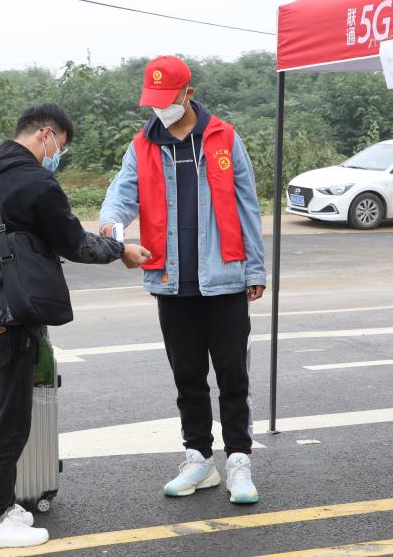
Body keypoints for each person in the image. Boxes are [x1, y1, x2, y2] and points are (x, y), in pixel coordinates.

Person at [0, 104, 151, 549]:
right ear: (46, 134)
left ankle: (2, 504)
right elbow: (75, 243)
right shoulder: (36, 181)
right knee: (8, 423)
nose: (58, 155)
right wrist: (120, 250)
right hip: (6, 318)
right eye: (61, 147)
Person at [99, 55, 267, 505]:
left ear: (187, 94)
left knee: (233, 376)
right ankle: (199, 458)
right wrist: (113, 232)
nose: (160, 108)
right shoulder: (142, 145)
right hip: (170, 281)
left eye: (167, 99)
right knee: (188, 377)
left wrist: (255, 268)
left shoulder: (224, 137)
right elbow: (120, 196)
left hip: (225, 278)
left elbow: (248, 204)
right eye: (152, 100)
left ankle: (239, 462)